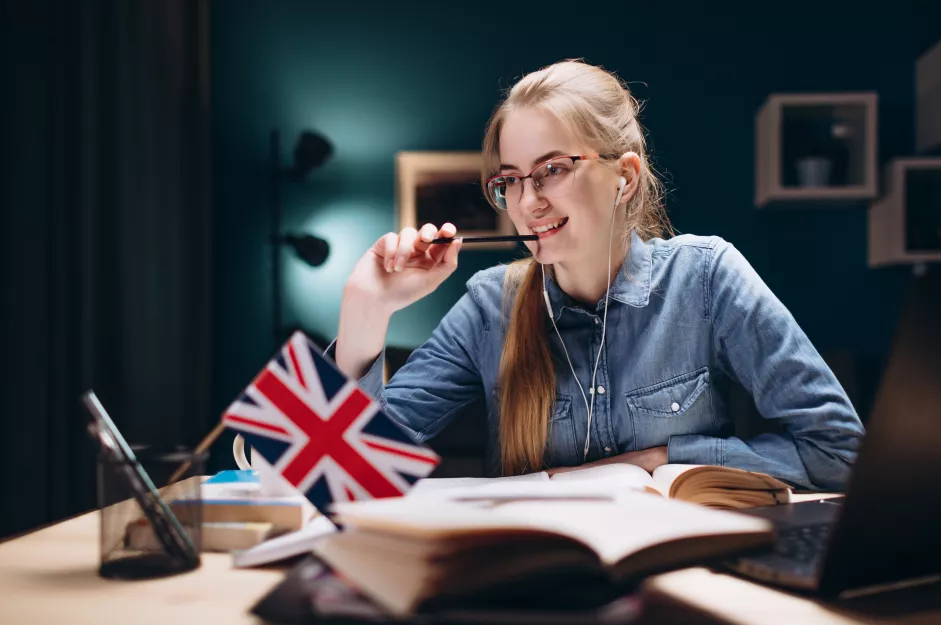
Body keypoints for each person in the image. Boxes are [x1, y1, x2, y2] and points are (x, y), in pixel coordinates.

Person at [330, 60, 864, 491]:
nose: (528, 203)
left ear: (624, 177)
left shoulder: (706, 277)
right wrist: (365, 310)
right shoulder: (488, 305)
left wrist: (658, 460)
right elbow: (339, 477)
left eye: (552, 170)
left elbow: (841, 453)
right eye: (511, 181)